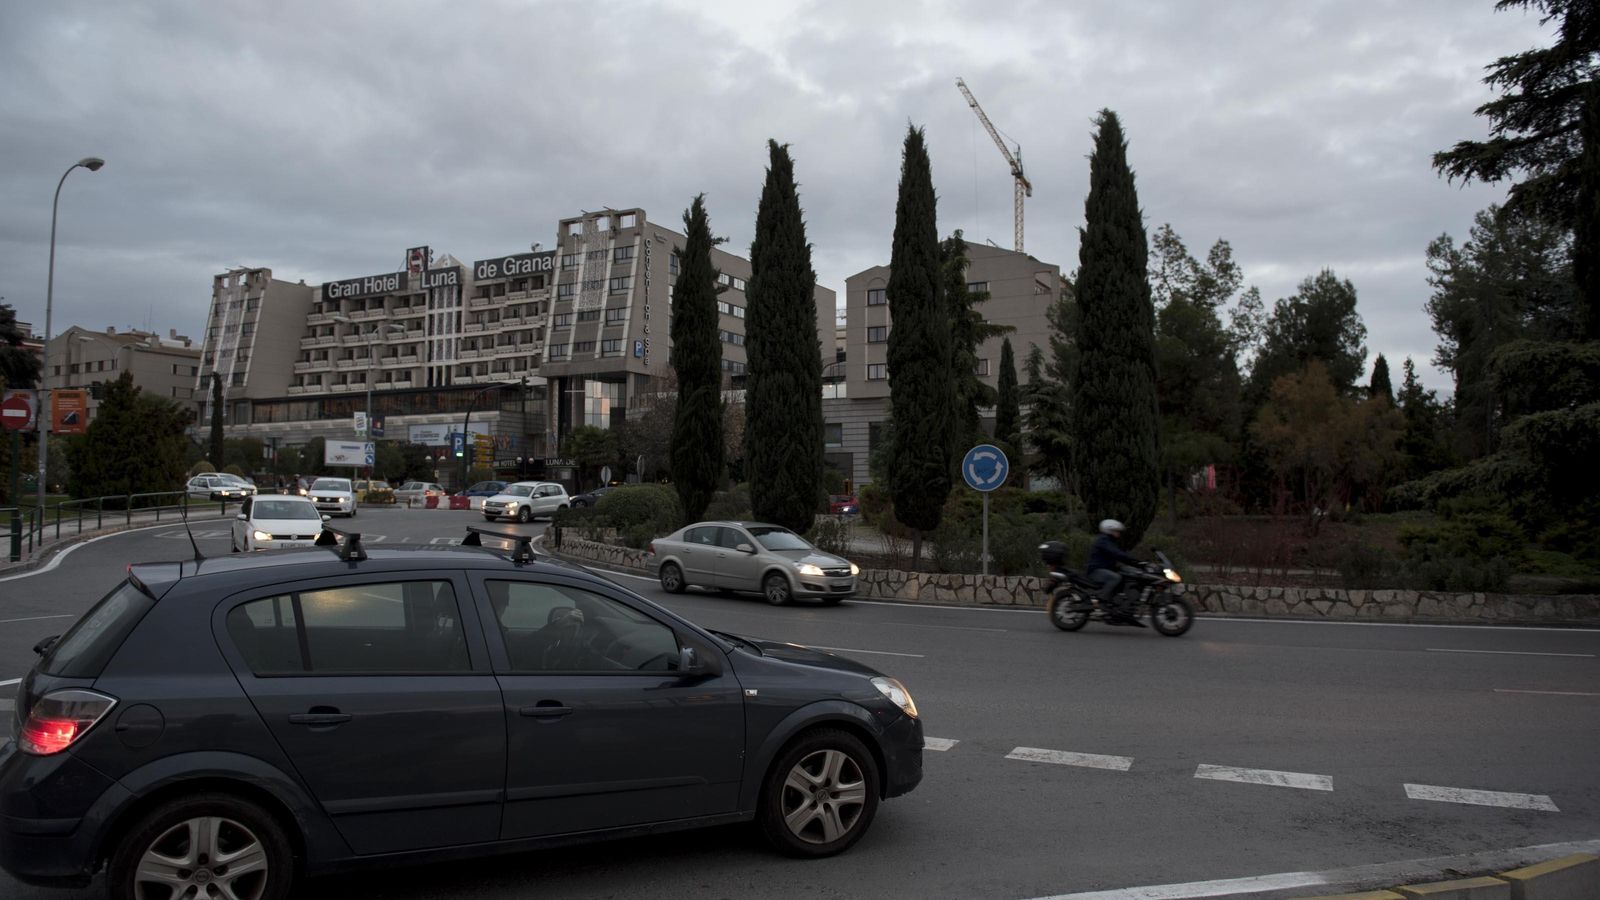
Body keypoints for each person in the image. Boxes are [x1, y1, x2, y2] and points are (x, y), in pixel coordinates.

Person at [1086, 519, 1141, 624]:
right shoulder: (1103, 540)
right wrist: (1133, 560)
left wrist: (1134, 563)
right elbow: (1115, 553)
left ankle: (1116, 604)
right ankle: (1101, 600)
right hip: (1096, 571)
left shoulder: (1109, 541)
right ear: (1109, 531)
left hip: (1103, 569)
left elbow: (1115, 554)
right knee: (1115, 577)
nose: (1118, 534)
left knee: (1124, 576)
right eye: (1116, 531)